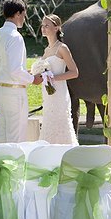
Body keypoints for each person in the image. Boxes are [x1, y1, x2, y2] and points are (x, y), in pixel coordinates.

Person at [0, 0, 42, 142]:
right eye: (24, 14)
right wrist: (33, 79)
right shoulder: (15, 36)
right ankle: (12, 164)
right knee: (15, 135)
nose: (24, 18)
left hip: (0, 90)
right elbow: (15, 70)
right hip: (14, 91)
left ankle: (1, 163)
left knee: (2, 134)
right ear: (18, 14)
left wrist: (23, 72)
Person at [34, 14, 79, 145]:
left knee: (61, 122)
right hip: (48, 93)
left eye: (47, 25)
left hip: (59, 92)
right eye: (42, 25)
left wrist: (53, 78)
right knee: (49, 121)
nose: (43, 28)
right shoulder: (46, 50)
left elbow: (74, 72)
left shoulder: (62, 48)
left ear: (57, 28)